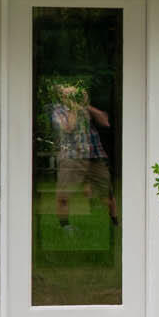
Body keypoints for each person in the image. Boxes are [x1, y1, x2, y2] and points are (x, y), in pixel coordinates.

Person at [49, 81, 115, 229]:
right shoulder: (58, 110)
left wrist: (86, 106)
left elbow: (106, 123)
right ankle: (65, 227)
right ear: (62, 95)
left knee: (107, 191)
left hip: (94, 155)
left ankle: (115, 222)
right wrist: (75, 107)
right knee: (64, 194)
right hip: (71, 157)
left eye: (77, 94)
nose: (74, 97)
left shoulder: (84, 108)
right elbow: (68, 128)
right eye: (70, 94)